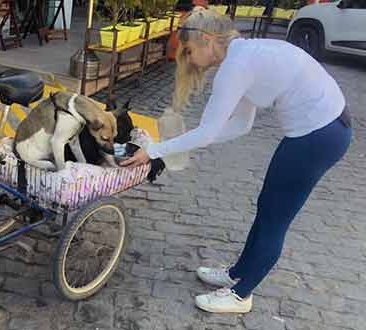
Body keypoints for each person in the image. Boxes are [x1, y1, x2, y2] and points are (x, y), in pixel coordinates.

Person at [121, 7, 352, 313]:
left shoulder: (236, 65)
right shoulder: (244, 56)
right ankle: (236, 273)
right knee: (267, 207)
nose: (188, 60)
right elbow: (240, 125)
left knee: (274, 219)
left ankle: (241, 295)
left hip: (319, 135)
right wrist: (184, 142)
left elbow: (207, 133)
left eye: (188, 51)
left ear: (206, 39)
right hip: (322, 132)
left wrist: (154, 150)